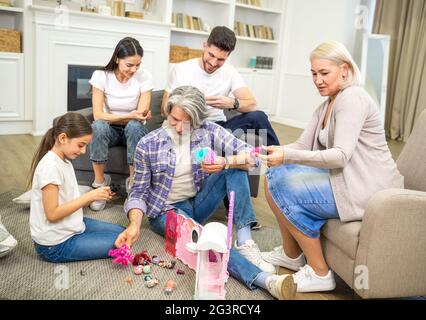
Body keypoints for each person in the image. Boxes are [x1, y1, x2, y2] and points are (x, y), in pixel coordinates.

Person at [115, 86, 296, 300]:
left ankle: (245, 241)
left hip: (197, 203)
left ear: (197, 120)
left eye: (187, 122)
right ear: (168, 111)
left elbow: (253, 158)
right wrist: (134, 224)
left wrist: (224, 162)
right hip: (166, 212)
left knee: (235, 169)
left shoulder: (208, 130)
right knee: (205, 240)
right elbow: (138, 191)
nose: (179, 127)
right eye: (174, 119)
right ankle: (265, 280)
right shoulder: (148, 144)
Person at [259, 41, 404, 293]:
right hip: (345, 180)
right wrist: (273, 153)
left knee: (282, 185)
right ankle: (292, 256)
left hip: (368, 189)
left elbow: (340, 156)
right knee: (273, 174)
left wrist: (287, 156)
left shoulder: (353, 98)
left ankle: (320, 273)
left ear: (345, 70)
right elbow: (303, 145)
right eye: (314, 74)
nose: (318, 80)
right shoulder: (326, 105)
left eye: (324, 73)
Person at [28, 112, 125, 263]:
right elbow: (52, 214)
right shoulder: (50, 167)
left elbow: (67, 200)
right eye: (81, 145)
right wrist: (90, 197)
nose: (84, 151)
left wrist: (95, 195)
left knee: (123, 232)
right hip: (55, 245)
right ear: (62, 138)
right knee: (122, 242)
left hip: (71, 224)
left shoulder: (64, 161)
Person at [162, 26, 280, 147]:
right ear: (205, 46)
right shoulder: (181, 69)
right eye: (211, 55)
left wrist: (231, 103)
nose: (213, 63)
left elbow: (252, 104)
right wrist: (192, 104)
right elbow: (164, 108)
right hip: (189, 126)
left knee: (258, 116)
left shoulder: (230, 72)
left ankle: (280, 158)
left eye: (220, 59)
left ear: (227, 56)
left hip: (219, 127)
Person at [89, 37, 154, 211]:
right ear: (117, 59)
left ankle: (133, 184)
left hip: (134, 131)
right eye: (129, 65)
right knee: (98, 126)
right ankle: (100, 183)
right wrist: (130, 115)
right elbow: (97, 115)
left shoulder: (144, 77)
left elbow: (139, 118)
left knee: (133, 126)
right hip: (110, 131)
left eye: (137, 65)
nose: (134, 69)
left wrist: (135, 117)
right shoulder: (101, 76)